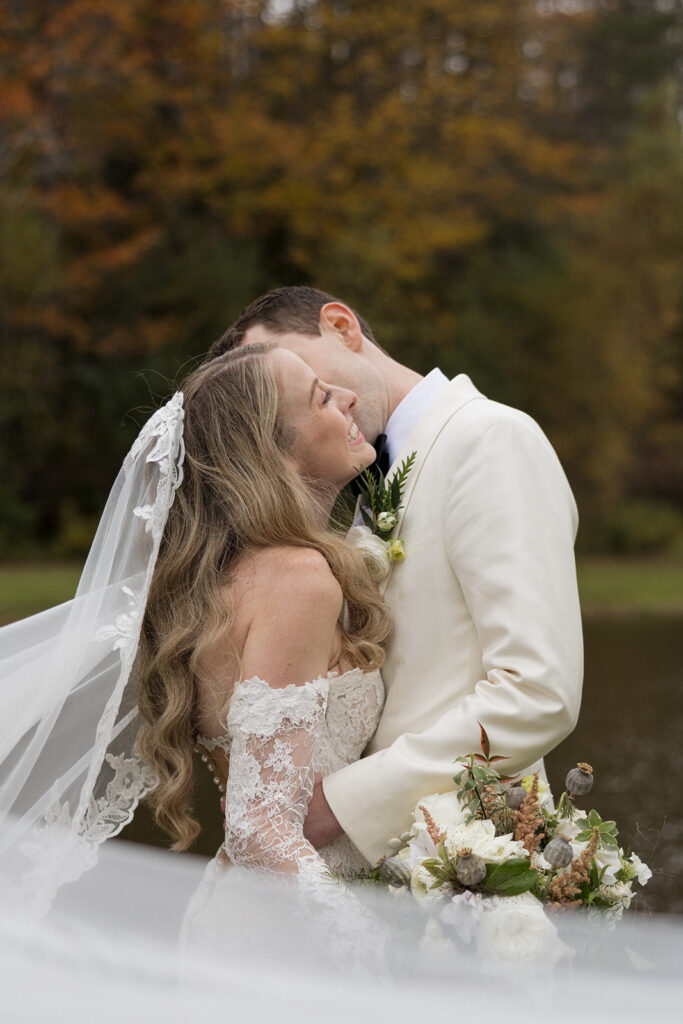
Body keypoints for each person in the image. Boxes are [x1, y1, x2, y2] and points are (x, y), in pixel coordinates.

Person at [0, 341, 391, 918]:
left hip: (238, 910)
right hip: (293, 931)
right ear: (274, 453)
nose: (349, 398)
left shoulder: (221, 586)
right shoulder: (299, 580)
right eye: (322, 398)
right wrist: (370, 949)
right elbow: (262, 832)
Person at [207, 286, 584, 866]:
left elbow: (538, 691)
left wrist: (344, 803)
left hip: (472, 862)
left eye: (306, 375)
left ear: (341, 325)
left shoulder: (490, 440)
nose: (337, 401)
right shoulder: (359, 480)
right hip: (384, 879)